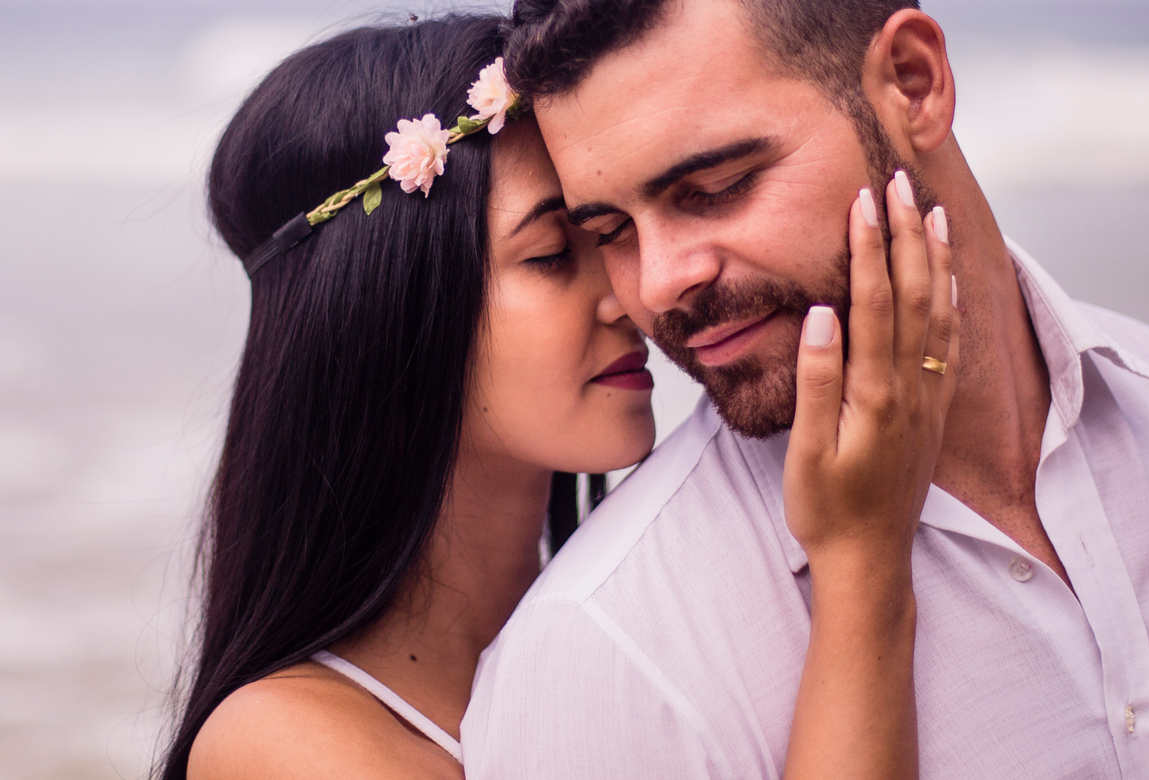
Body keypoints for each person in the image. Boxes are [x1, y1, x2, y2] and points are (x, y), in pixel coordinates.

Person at [156, 13, 956, 780]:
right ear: (388, 310)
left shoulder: (646, 607)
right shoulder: (281, 743)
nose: (636, 291)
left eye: (604, 237)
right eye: (548, 255)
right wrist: (860, 570)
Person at [460, 0, 1149, 777]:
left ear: (914, 83)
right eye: (610, 233)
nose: (659, 286)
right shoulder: (601, 657)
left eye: (716, 186)